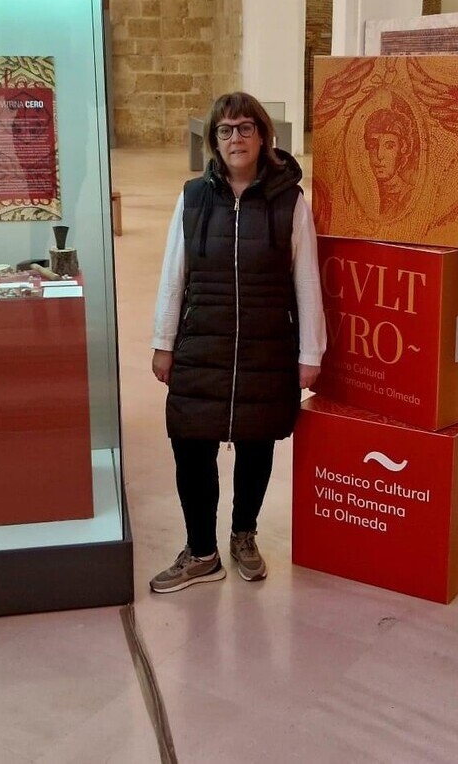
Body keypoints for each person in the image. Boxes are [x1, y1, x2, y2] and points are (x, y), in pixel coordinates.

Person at [149, 91, 324, 591]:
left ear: (264, 135)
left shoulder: (289, 200)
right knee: (191, 446)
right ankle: (202, 550)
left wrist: (309, 354)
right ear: (213, 141)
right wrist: (164, 342)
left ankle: (243, 534)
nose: (236, 138)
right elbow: (172, 275)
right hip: (201, 342)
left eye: (246, 127)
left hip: (266, 346)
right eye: (225, 130)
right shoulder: (193, 197)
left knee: (256, 444)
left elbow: (306, 279)